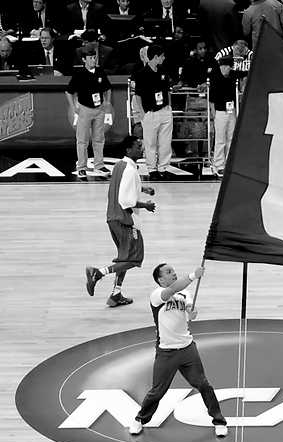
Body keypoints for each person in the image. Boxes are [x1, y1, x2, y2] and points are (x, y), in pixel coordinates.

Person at [128, 263, 228, 437]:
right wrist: (193, 276)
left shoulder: (184, 294)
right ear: (160, 279)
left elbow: (188, 306)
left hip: (188, 349)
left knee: (203, 385)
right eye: (168, 272)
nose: (173, 273)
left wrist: (191, 311)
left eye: (173, 270)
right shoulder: (157, 295)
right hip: (166, 352)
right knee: (157, 391)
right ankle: (140, 419)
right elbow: (172, 289)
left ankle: (219, 421)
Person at [85, 135, 155, 306]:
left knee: (124, 258)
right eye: (138, 146)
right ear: (128, 150)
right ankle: (98, 273)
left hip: (113, 218)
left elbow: (123, 187)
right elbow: (126, 200)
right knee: (133, 258)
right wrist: (145, 205)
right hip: (124, 220)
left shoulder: (120, 166)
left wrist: (143, 188)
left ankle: (116, 294)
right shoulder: (130, 170)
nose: (141, 148)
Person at [66, 42, 112, 178]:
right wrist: (74, 107)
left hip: (99, 109)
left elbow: (108, 88)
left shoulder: (100, 72)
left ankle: (99, 164)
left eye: (94, 57)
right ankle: (81, 166)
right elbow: (69, 92)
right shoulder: (79, 74)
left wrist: (107, 102)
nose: (93, 60)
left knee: (99, 138)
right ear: (84, 59)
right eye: (91, 58)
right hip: (85, 109)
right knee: (82, 140)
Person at [132, 44, 173, 179]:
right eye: (162, 56)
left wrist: (169, 108)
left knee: (165, 142)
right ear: (156, 57)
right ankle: (152, 169)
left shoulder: (163, 70)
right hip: (150, 112)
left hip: (165, 111)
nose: (164, 58)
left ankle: (163, 167)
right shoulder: (141, 74)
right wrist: (142, 114)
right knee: (150, 143)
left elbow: (167, 91)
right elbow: (137, 96)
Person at [209, 55, 237, 176]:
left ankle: (230, 163)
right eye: (226, 67)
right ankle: (219, 164)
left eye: (229, 67)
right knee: (220, 139)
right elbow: (211, 99)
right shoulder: (215, 78)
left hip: (231, 111)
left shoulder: (233, 76)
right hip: (220, 111)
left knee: (231, 138)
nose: (227, 69)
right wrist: (213, 112)